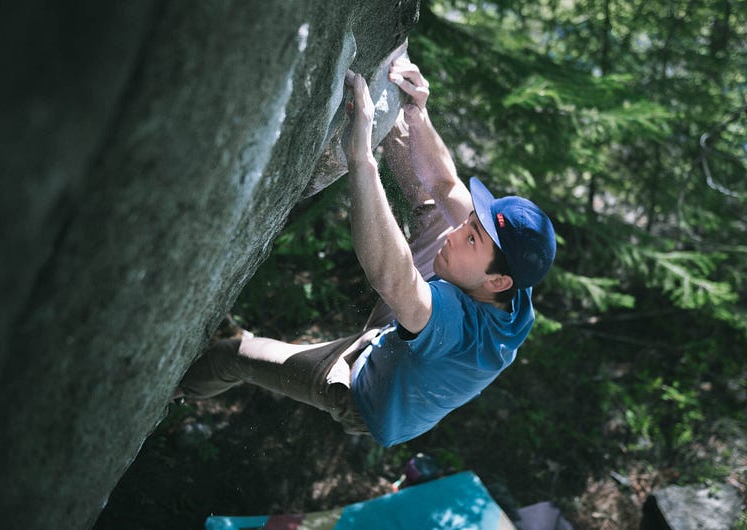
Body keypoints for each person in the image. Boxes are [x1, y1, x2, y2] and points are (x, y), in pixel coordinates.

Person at [176, 58, 556, 447]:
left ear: (498, 280)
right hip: (416, 320)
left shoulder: (460, 332)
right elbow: (445, 185)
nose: (456, 234)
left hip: (368, 390)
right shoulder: (505, 280)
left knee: (231, 356)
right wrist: (415, 112)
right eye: (471, 222)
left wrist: (361, 157)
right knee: (434, 206)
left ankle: (171, 393)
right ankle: (380, 114)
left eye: (473, 238)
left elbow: (393, 278)